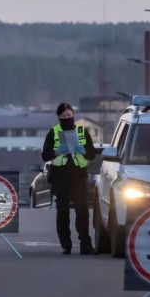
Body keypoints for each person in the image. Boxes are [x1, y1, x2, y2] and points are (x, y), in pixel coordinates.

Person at [41, 102, 97, 255]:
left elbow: (92, 154)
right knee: (63, 211)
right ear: (59, 117)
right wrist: (57, 152)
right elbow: (45, 155)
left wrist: (83, 150)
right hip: (60, 176)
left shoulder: (82, 131)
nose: (67, 118)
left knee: (82, 210)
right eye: (64, 116)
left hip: (79, 174)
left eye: (69, 115)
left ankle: (86, 244)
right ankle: (66, 245)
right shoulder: (53, 132)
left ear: (73, 114)